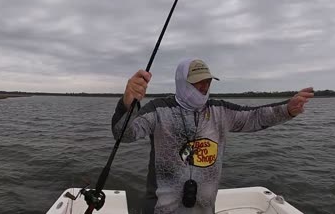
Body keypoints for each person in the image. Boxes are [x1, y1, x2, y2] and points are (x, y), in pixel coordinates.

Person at [111, 58, 314, 214]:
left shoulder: (219, 110)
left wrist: (287, 109)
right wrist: (127, 104)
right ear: (181, 82)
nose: (204, 85)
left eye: (207, 80)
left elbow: (255, 117)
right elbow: (124, 134)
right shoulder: (158, 109)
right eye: (197, 81)